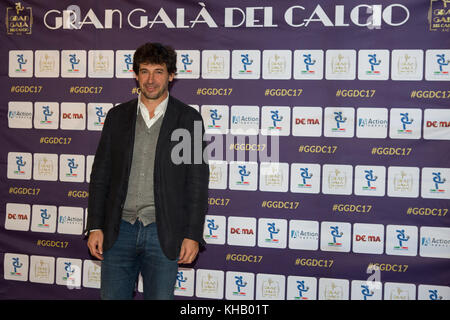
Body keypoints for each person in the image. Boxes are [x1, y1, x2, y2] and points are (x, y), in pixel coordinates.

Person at [85, 42, 209, 300]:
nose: (150, 80)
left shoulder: (188, 119)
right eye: (144, 71)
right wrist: (95, 225)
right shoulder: (117, 117)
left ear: (171, 75)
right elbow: (100, 176)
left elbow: (197, 182)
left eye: (159, 71)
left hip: (162, 231)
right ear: (136, 75)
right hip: (119, 231)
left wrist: (192, 234)